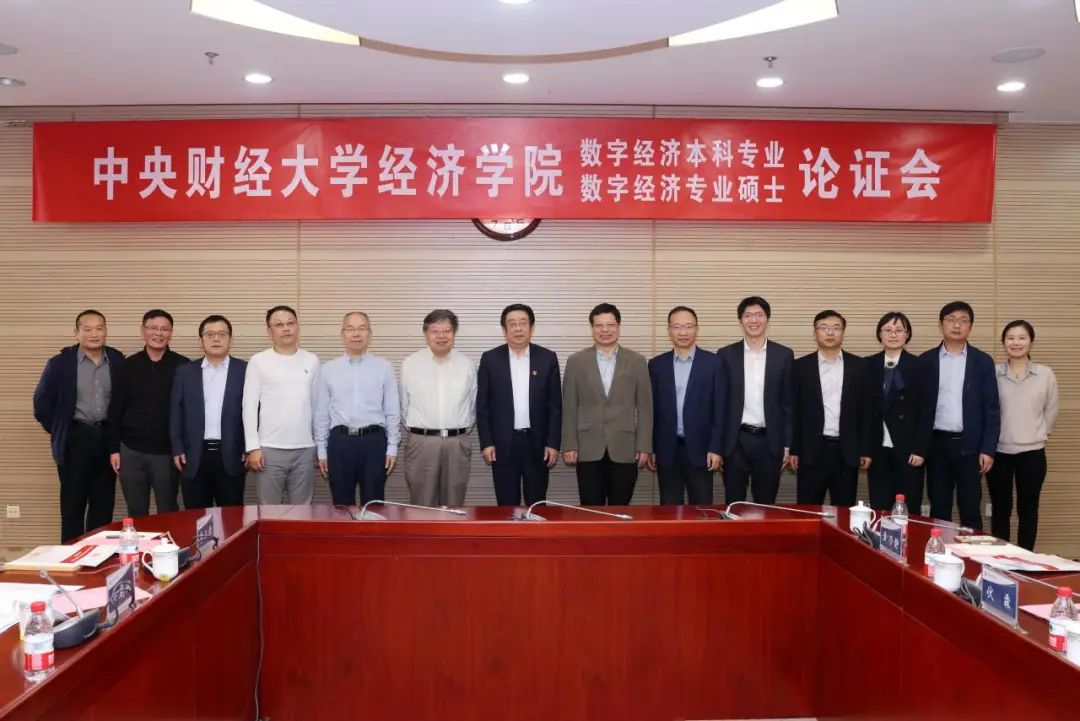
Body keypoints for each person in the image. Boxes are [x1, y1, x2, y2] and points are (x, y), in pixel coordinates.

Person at [33, 310, 125, 542]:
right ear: (77, 332)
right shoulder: (60, 363)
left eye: (99, 328)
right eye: (88, 329)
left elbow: (124, 402)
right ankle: (71, 557)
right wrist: (62, 429)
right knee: (72, 506)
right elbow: (42, 405)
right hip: (74, 439)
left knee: (103, 505)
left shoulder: (117, 361)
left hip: (106, 439)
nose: (94, 334)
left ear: (106, 331)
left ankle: (99, 556)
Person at [561, 303, 652, 505]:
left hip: (625, 446)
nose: (605, 330)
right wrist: (569, 444)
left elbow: (645, 408)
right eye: (599, 325)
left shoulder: (637, 361)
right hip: (588, 447)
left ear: (618, 327)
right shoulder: (576, 361)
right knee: (591, 508)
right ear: (592, 328)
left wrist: (644, 445)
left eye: (610, 325)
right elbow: (569, 406)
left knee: (621, 507)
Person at [920, 301, 1000, 530]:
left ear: (970, 327)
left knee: (971, 509)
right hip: (937, 445)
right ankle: (940, 551)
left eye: (963, 321)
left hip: (970, 447)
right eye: (951, 320)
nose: (957, 325)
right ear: (941, 324)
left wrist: (988, 449)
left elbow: (992, 409)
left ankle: (972, 553)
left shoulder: (982, 361)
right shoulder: (925, 361)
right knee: (939, 508)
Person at [476, 304, 561, 506]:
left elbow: (555, 406)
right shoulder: (490, 359)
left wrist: (553, 443)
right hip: (503, 445)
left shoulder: (547, 358)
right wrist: (486, 442)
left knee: (537, 504)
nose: (518, 328)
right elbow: (483, 407)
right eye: (512, 324)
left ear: (532, 328)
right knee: (506, 504)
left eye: (523, 323)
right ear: (504, 330)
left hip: (537, 444)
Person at [107, 309, 189, 517]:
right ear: (143, 330)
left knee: (168, 510)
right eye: (153, 328)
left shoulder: (183, 366)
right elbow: (115, 410)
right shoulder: (127, 366)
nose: (159, 333)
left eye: (165, 329)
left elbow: (188, 412)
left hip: (167, 453)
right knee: (136, 511)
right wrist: (114, 449)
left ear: (171, 333)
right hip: (130, 451)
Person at [313, 312, 400, 506]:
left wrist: (392, 446)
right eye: (350, 329)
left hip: (374, 441)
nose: (356, 334)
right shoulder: (329, 369)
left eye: (362, 328)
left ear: (370, 333)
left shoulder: (384, 367)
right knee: (342, 505)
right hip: (340, 442)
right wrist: (321, 450)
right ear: (342, 334)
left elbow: (392, 410)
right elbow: (321, 414)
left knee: (374, 505)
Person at [986, 320, 1058, 550]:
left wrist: (1039, 434)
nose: (1016, 343)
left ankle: (1025, 557)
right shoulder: (994, 373)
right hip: (999, 453)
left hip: (1033, 453)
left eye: (1022, 338)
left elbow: (1051, 410)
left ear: (1031, 342)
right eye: (1011, 338)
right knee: (1000, 509)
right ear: (1004, 343)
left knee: (1028, 509)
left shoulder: (1045, 374)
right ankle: (1001, 559)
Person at [716, 296, 793, 504]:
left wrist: (787, 445)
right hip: (735, 440)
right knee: (734, 502)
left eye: (759, 315)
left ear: (767, 319)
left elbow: (788, 404)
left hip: (770, 440)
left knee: (765, 502)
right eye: (748, 315)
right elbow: (720, 404)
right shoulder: (725, 355)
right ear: (740, 321)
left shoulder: (784, 355)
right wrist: (718, 445)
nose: (754, 320)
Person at [790, 310, 870, 507]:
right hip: (811, 450)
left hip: (846, 450)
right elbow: (794, 411)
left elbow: (866, 411)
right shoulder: (800, 367)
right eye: (824, 328)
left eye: (836, 328)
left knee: (844, 510)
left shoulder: (859, 366)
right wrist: (794, 449)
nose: (830, 332)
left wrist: (865, 450)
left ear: (843, 333)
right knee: (808, 509)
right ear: (815, 333)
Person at [243, 305, 321, 505]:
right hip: (269, 450)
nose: (286, 328)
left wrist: (319, 446)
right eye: (279, 324)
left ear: (298, 326)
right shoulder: (258, 361)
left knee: (302, 511)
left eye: (290, 323)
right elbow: (249, 407)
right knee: (269, 511)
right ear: (269, 331)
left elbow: (317, 406)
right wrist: (253, 447)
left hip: (304, 448)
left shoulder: (312, 360)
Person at [648, 306, 725, 504]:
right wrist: (652, 448)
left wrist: (716, 448)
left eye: (688, 326)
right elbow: (652, 411)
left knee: (701, 509)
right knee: (668, 509)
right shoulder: (656, 365)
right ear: (668, 330)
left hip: (702, 451)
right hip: (667, 450)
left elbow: (720, 410)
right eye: (677, 327)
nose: (683, 332)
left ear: (697, 329)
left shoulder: (714, 363)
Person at [399, 309, 476, 506]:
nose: (441, 336)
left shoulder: (466, 364)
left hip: (456, 443)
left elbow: (472, 405)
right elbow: (403, 406)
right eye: (435, 331)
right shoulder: (410, 364)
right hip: (422, 443)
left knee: (453, 506)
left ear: (454, 333)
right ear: (426, 333)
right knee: (421, 505)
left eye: (447, 331)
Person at [170, 315, 247, 508]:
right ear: (201, 339)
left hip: (232, 455)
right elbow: (176, 412)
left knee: (231, 518)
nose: (216, 339)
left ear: (230, 339)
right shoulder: (185, 371)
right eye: (210, 334)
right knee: (196, 517)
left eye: (222, 334)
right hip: (194, 455)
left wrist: (249, 446)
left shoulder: (245, 370)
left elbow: (254, 411)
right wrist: (177, 447)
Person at [861, 312, 932, 513]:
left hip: (909, 449)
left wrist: (920, 448)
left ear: (907, 334)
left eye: (899, 330)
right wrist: (865, 450)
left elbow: (927, 411)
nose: (893, 334)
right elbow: (864, 411)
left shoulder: (920, 366)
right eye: (888, 330)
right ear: (880, 334)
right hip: (878, 449)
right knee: (880, 506)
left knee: (909, 507)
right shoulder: (867, 365)